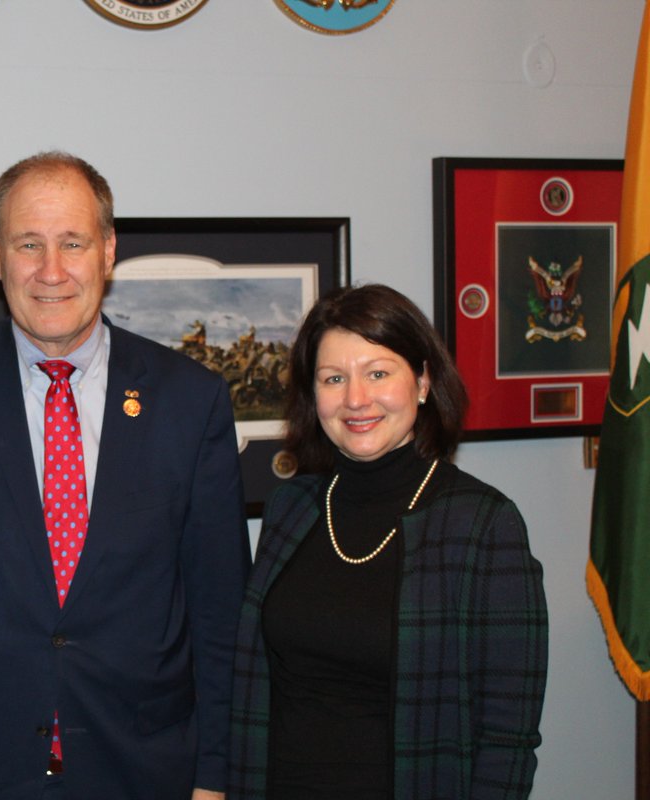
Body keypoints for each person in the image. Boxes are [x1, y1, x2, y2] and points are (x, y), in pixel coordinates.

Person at [0, 151, 249, 799]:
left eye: (72, 243)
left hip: (144, 765)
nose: (51, 270)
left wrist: (215, 776)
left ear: (108, 251)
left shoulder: (190, 399)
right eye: (28, 244)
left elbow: (220, 612)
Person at [227, 284, 549, 799]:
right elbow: (254, 686)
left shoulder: (484, 524)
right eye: (334, 378)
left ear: (422, 382)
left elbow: (508, 738)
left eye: (378, 373)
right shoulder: (291, 508)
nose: (355, 399)